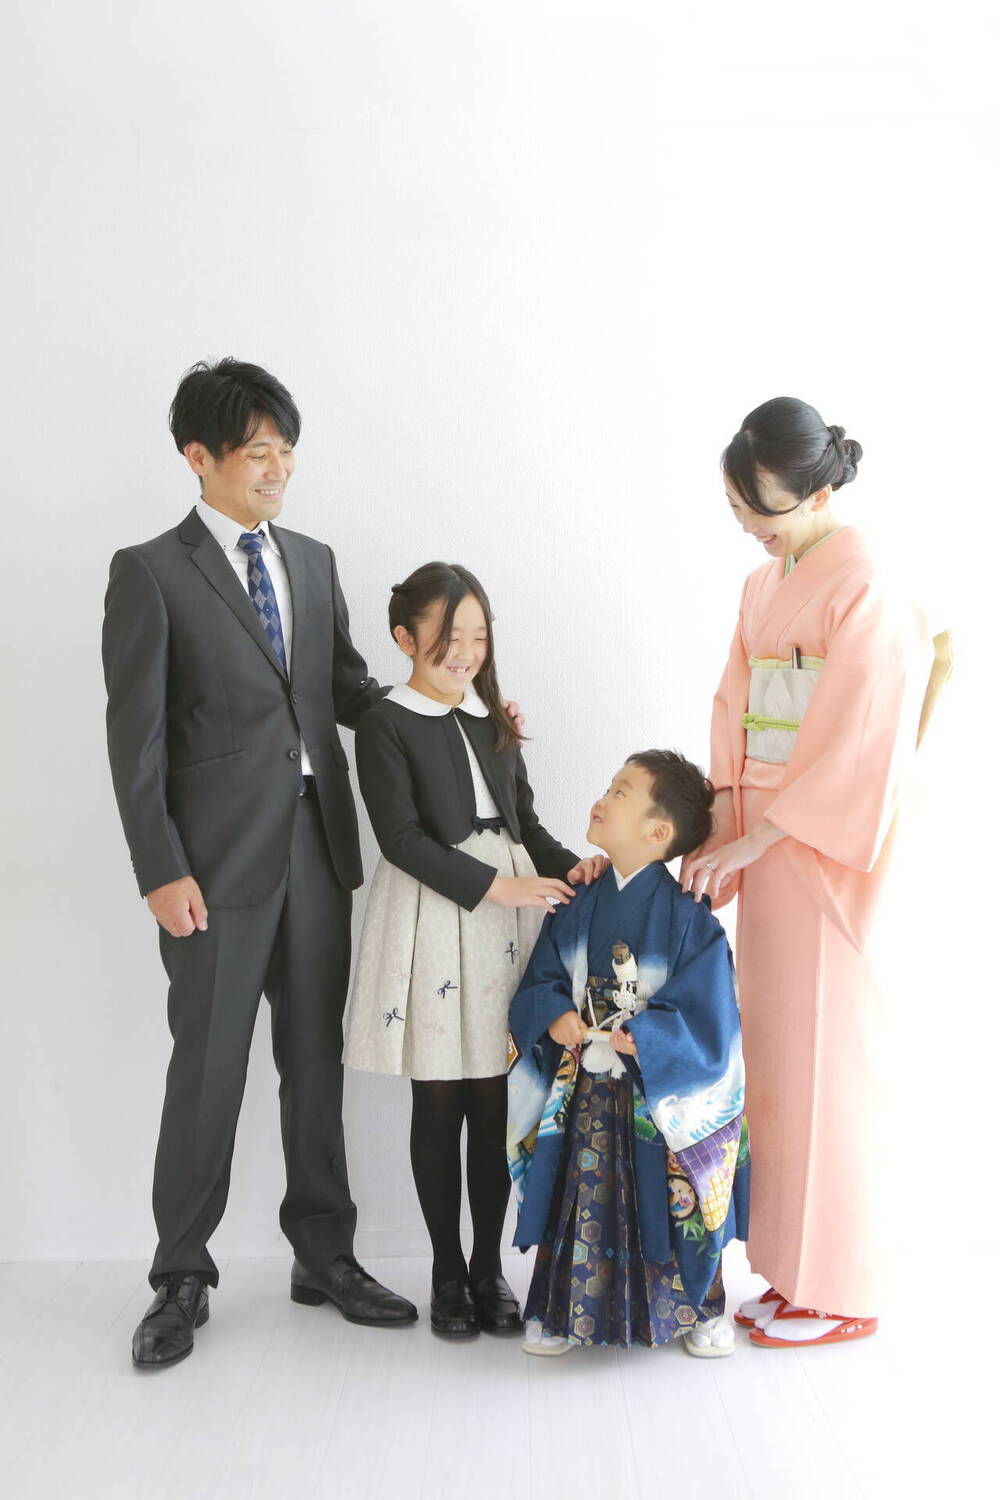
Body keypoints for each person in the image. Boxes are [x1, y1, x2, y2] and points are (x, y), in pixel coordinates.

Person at [103, 358, 429, 1367]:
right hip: (209, 865)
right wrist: (159, 867)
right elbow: (135, 738)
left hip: (317, 846)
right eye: (257, 452)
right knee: (208, 1066)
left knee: (315, 1061)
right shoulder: (151, 571)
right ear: (198, 457)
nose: (277, 469)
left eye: (286, 450)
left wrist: (443, 707)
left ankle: (323, 1255)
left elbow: (345, 690)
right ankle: (180, 1276)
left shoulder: (314, 561)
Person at [681, 396, 932, 1348]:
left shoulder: (867, 587)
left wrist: (762, 835)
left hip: (823, 851)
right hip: (766, 835)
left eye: (764, 509)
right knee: (781, 1060)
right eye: (738, 508)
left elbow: (863, 737)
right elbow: (733, 706)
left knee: (834, 1062)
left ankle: (844, 1289)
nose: (750, 526)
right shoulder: (763, 585)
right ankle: (791, 1272)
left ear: (820, 492)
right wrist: (722, 817)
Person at [342, 562, 604, 1338]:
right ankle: (445, 1272)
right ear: (404, 638)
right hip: (437, 916)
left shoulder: (495, 722)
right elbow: (400, 839)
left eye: (478, 637)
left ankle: (489, 1269)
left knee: (494, 1101)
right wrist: (500, 887)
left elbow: (528, 826)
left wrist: (575, 872)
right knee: (439, 1099)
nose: (465, 652)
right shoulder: (385, 723)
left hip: (503, 930)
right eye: (448, 636)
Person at [507, 751, 750, 1358]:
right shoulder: (580, 899)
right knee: (578, 1192)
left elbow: (711, 1013)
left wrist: (654, 1037)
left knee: (674, 1197)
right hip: (587, 1082)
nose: (603, 798)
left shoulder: (690, 919)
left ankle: (700, 1309)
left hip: (654, 1089)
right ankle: (563, 1311)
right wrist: (554, 1015)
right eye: (609, 786)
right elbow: (541, 978)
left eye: (621, 792)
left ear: (657, 831)